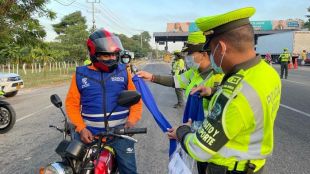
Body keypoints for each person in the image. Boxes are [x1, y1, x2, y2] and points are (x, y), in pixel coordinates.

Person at [167, 7, 281, 174]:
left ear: (221, 48)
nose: (211, 56)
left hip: (228, 168)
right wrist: (212, 91)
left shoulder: (234, 94)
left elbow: (199, 148)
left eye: (211, 50)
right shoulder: (267, 72)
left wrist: (181, 131)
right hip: (253, 164)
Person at [65, 29, 143, 174]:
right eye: (106, 55)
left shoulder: (123, 71)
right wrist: (81, 128)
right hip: (89, 134)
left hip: (120, 134)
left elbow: (136, 100)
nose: (111, 58)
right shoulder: (80, 74)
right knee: (69, 165)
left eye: (114, 54)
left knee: (129, 170)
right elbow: (72, 104)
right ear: (94, 54)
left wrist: (131, 121)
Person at [137, 31, 223, 110]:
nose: (186, 57)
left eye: (190, 54)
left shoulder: (218, 76)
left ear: (203, 54)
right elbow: (175, 81)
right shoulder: (194, 72)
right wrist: (152, 77)